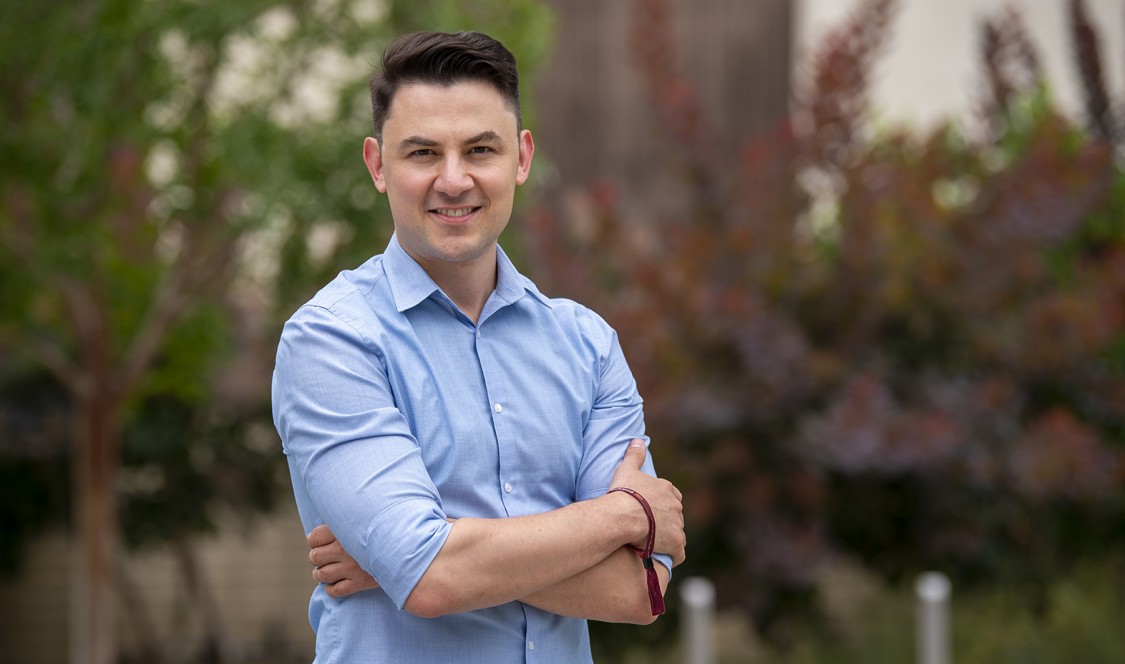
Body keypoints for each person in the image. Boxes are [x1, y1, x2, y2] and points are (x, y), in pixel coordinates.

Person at [272, 30, 685, 663]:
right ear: (378, 166)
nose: (454, 178)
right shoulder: (331, 339)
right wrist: (626, 514)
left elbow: (639, 589)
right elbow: (432, 575)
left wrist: (418, 561)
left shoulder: (588, 345)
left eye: (480, 149)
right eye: (422, 152)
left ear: (521, 158)